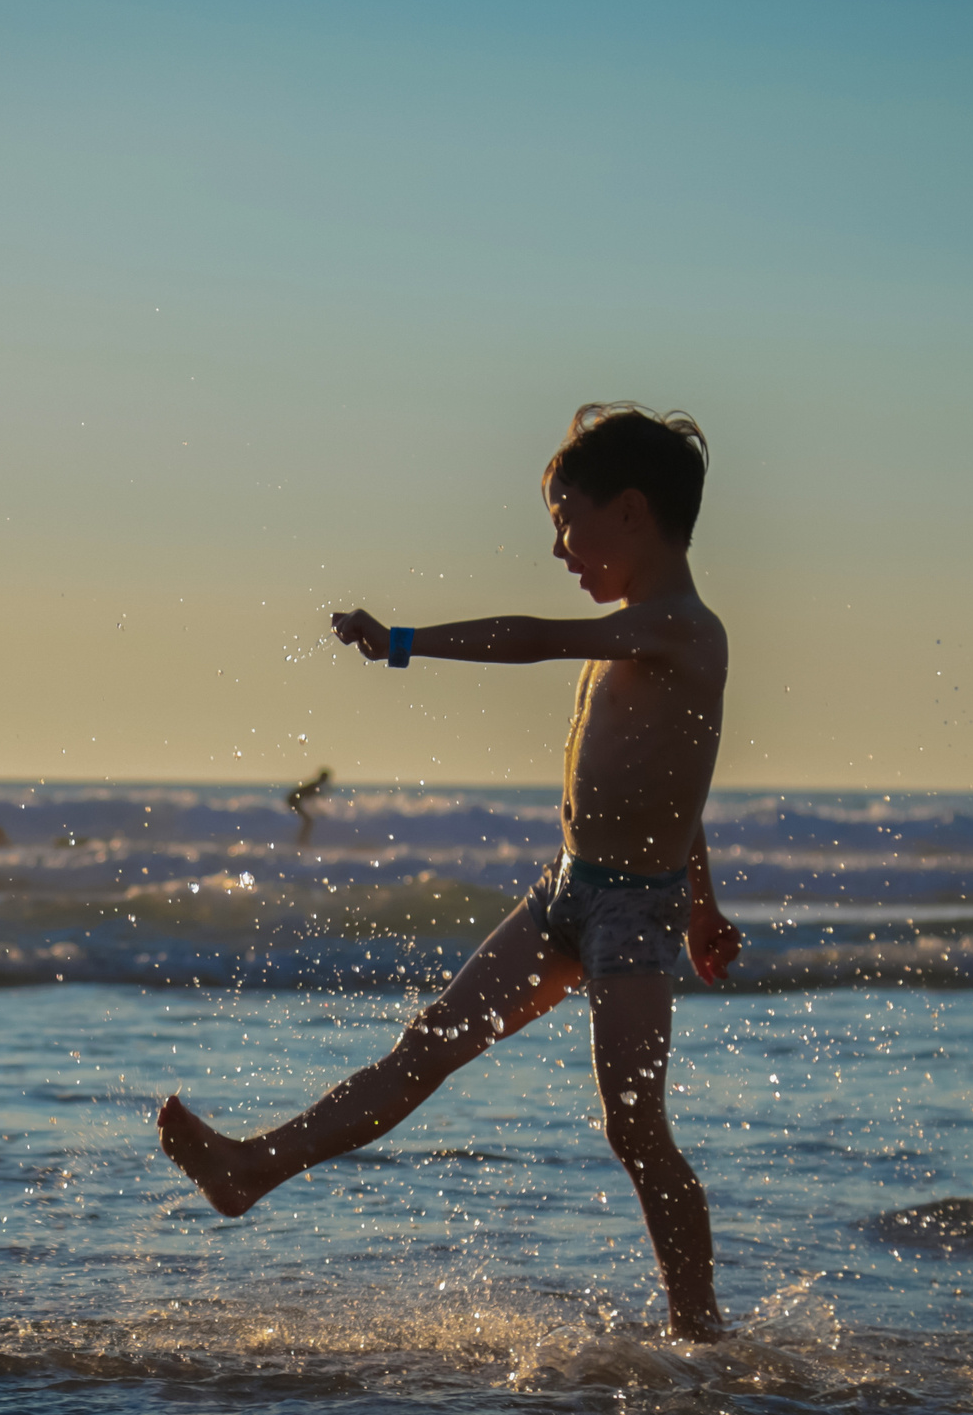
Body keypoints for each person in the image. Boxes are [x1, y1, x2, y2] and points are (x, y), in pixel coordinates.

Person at [159, 403, 743, 1340]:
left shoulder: (683, 631)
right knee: (425, 1047)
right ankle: (248, 1170)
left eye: (566, 519)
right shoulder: (641, 630)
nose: (558, 547)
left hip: (632, 918)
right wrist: (709, 905)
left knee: (635, 1129)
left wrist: (403, 642)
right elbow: (677, 791)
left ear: (630, 512)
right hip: (566, 893)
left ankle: (700, 1334)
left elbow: (532, 637)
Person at [285, 766, 333, 846]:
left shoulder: (315, 785)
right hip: (293, 801)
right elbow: (310, 799)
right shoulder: (315, 786)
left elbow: (310, 800)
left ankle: (302, 841)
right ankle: (302, 841)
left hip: (293, 800)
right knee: (309, 821)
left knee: (308, 821)